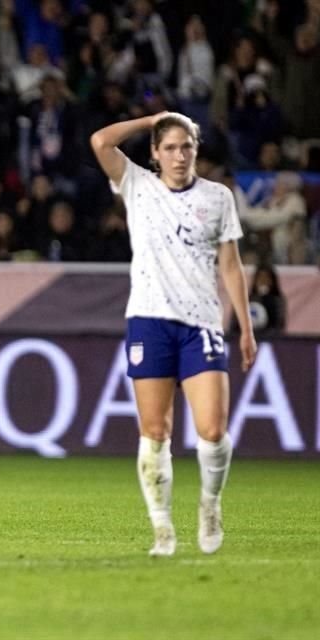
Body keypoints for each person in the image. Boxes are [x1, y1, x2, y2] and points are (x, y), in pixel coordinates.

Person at [89, 112, 257, 557]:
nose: (179, 156)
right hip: (149, 320)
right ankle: (162, 528)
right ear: (155, 153)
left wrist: (244, 325)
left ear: (197, 151)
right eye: (170, 147)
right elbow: (101, 140)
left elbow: (230, 264)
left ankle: (210, 503)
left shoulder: (218, 197)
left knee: (212, 428)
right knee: (155, 429)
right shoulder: (137, 185)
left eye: (187, 146)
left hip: (202, 322)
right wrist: (154, 118)